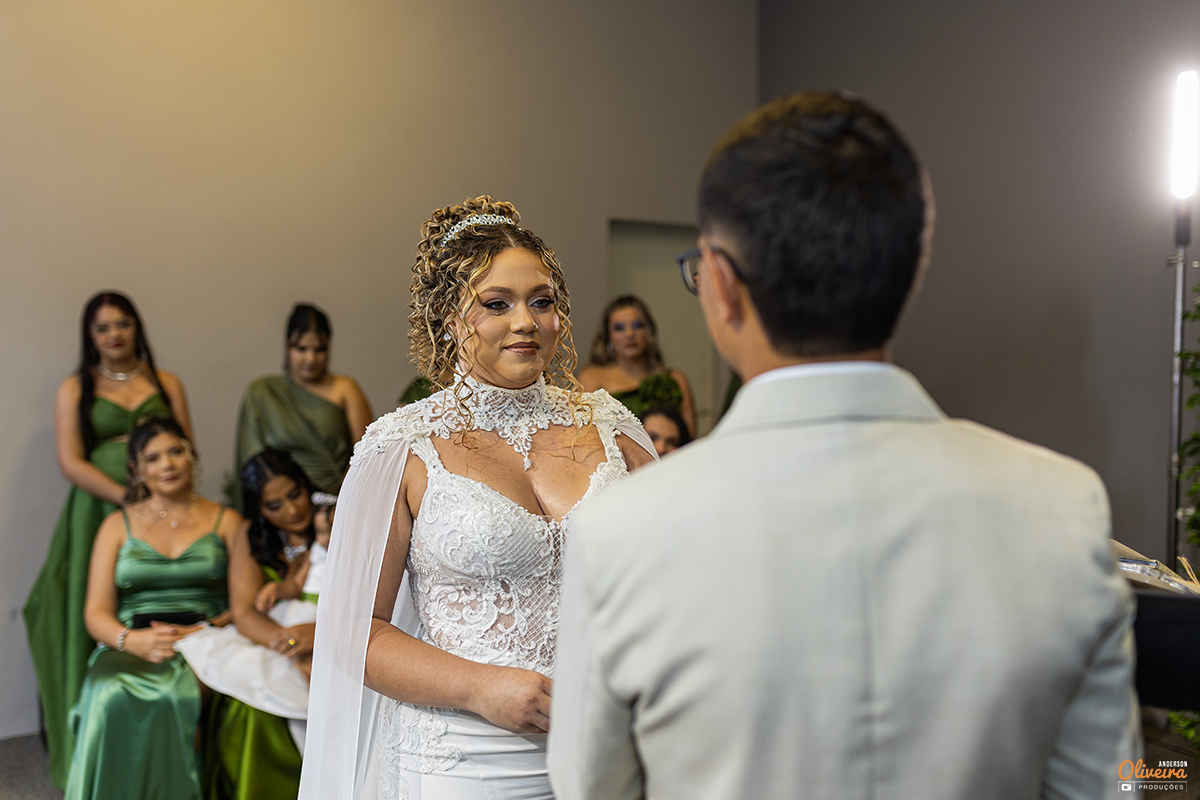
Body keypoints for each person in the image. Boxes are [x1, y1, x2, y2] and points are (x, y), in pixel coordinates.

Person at [549, 92, 1138, 800]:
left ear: (722, 287)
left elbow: (592, 789)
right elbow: (1116, 783)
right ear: (910, 271)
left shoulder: (619, 533)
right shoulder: (1062, 506)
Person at [299, 196, 657, 800]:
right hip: (465, 761)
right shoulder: (403, 446)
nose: (526, 322)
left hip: (609, 748)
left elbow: (674, 581)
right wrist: (479, 687)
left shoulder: (613, 428)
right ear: (448, 318)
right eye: (497, 304)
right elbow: (353, 631)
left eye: (542, 301)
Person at [25, 290, 193, 789]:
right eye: (102, 328)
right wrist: (128, 498)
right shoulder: (74, 388)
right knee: (89, 603)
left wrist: (158, 494)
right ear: (89, 336)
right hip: (97, 507)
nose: (114, 335)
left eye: (122, 323)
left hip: (162, 501)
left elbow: (184, 443)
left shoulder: (166, 381)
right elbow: (70, 461)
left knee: (159, 595)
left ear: (136, 326)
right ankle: (88, 734)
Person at [64, 417, 240, 800]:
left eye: (176, 452)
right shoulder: (116, 525)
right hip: (131, 640)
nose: (167, 465)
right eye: (153, 458)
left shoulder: (227, 521)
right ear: (137, 470)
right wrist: (131, 641)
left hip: (206, 639)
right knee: (109, 691)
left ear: (192, 456)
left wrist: (206, 630)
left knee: (176, 696)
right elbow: (95, 612)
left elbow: (245, 604)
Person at [186, 450, 328, 800]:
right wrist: (294, 647)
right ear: (259, 508)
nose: (292, 511)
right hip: (274, 641)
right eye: (274, 505)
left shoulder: (333, 522)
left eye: (295, 494)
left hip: (334, 635)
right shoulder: (251, 536)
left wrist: (319, 637)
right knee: (252, 707)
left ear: (306, 485)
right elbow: (245, 613)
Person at [234, 303, 373, 506]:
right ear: (287, 347)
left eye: (319, 350)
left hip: (344, 499)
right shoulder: (263, 392)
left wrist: (342, 504)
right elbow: (253, 461)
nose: (310, 358)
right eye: (301, 349)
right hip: (286, 507)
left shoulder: (346, 389)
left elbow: (368, 454)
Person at [578, 295, 697, 434]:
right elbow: (583, 435)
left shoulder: (676, 379)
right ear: (607, 336)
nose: (629, 334)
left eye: (638, 325)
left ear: (649, 331)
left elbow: (690, 439)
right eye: (619, 328)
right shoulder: (591, 378)